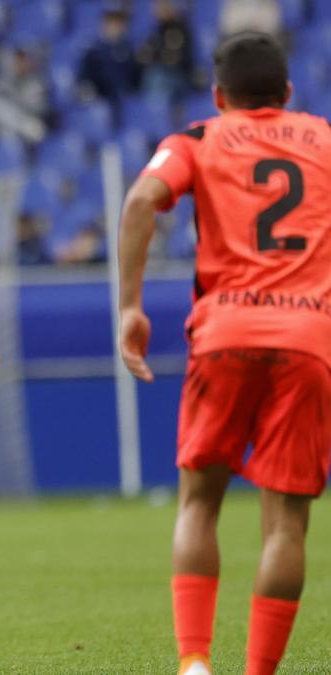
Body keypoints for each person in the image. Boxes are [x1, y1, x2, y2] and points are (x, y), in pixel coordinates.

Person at [118, 32, 331, 675]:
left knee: (199, 502)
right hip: (306, 340)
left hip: (225, 334)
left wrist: (129, 307)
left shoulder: (199, 139)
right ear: (289, 94)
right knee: (287, 525)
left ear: (218, 95)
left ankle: (193, 663)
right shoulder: (324, 138)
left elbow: (139, 201)